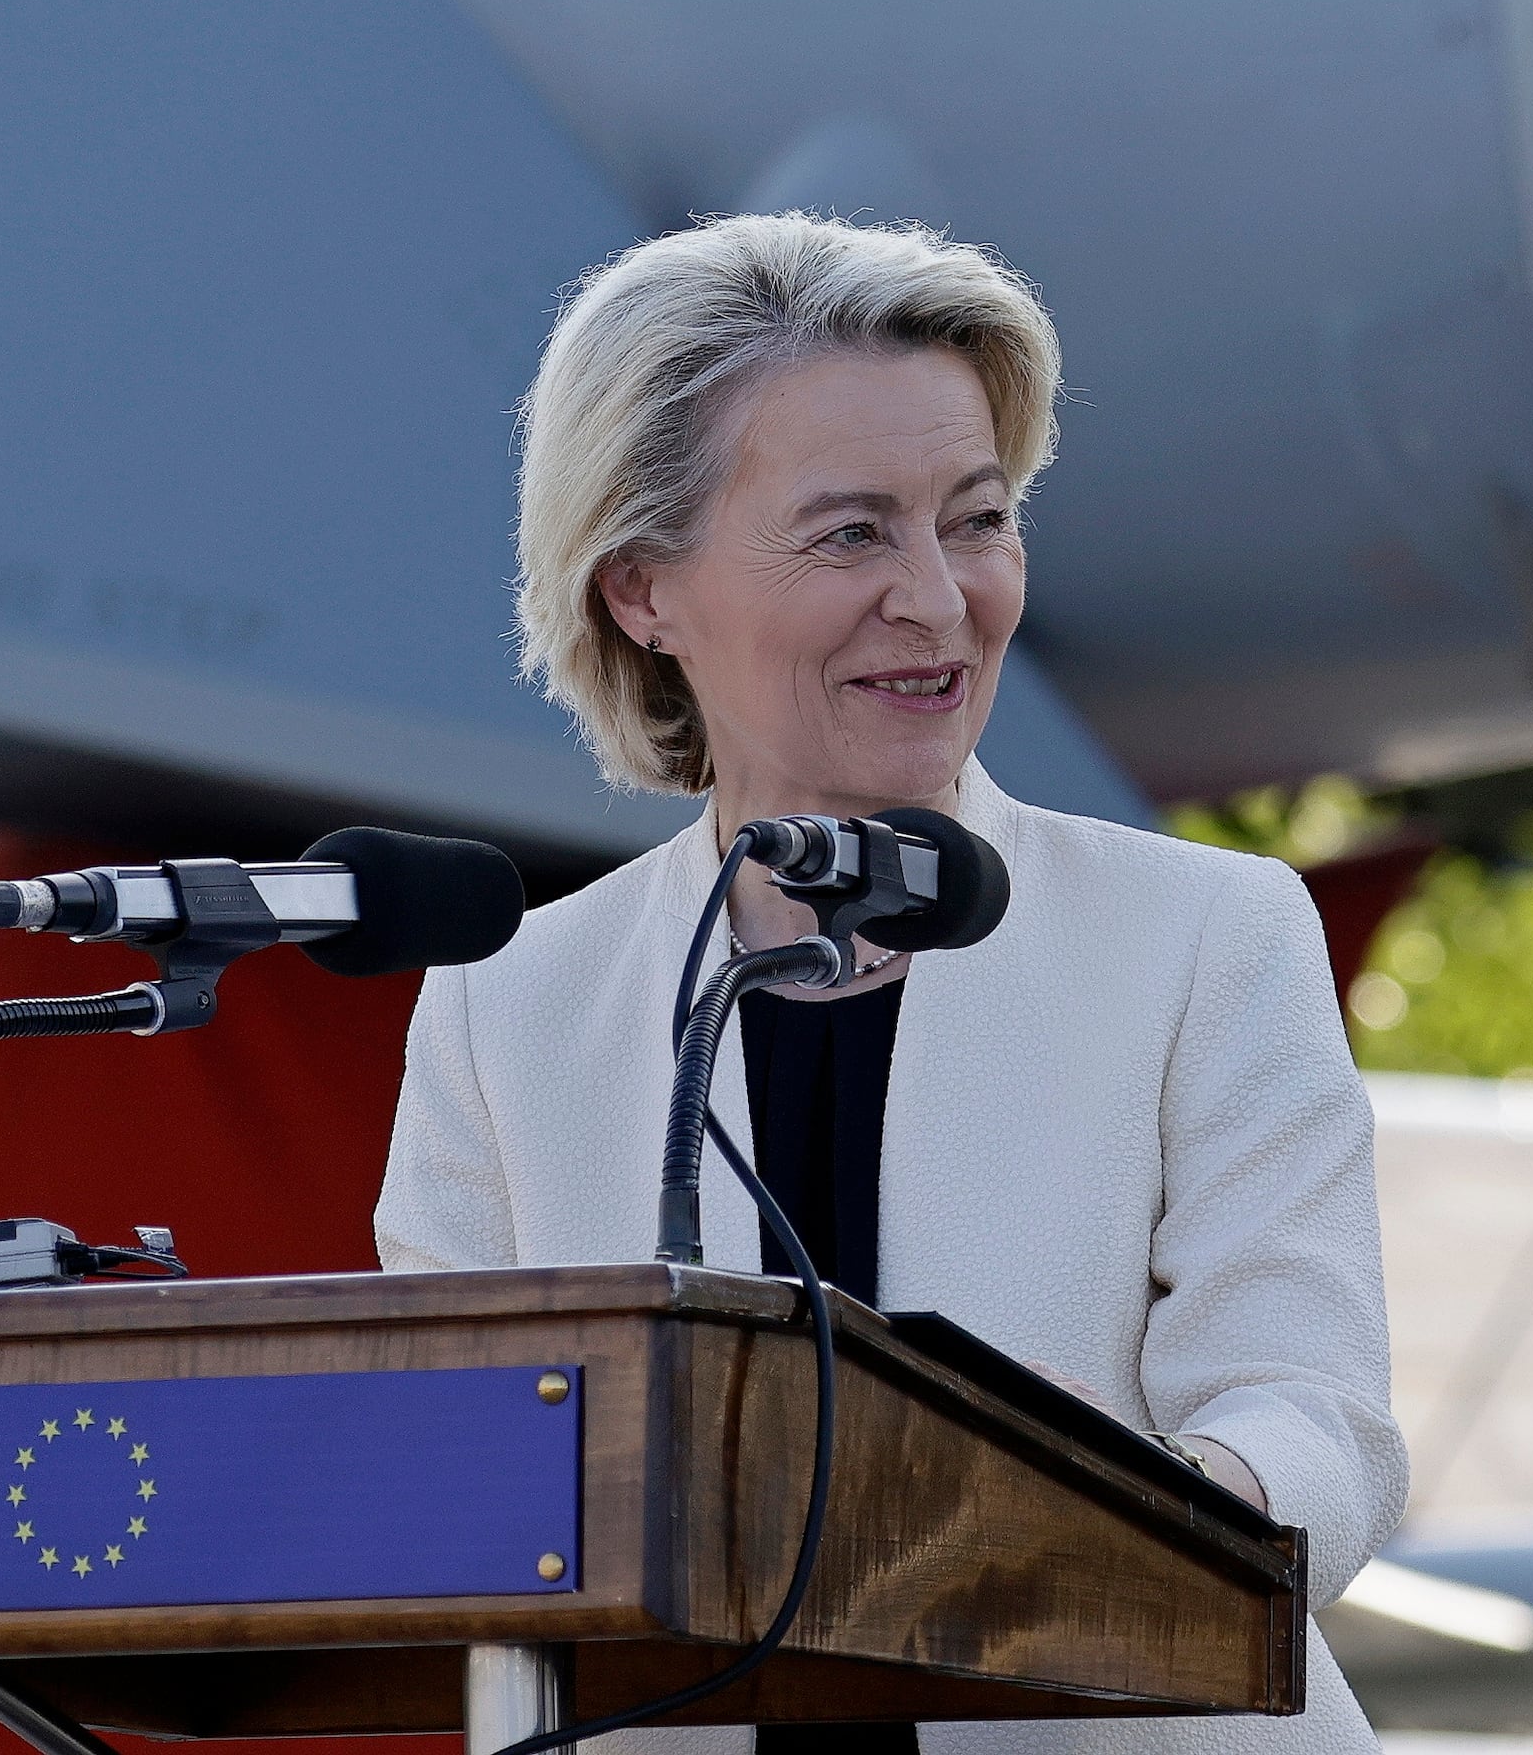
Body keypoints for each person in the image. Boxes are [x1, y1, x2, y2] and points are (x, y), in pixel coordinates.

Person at [378, 213, 1402, 1755]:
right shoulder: (508, 1004)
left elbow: (1316, 1422)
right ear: (643, 590)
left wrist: (1140, 1514)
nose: (941, 599)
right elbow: (436, 1493)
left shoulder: (1212, 936)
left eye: (976, 520)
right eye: (853, 533)